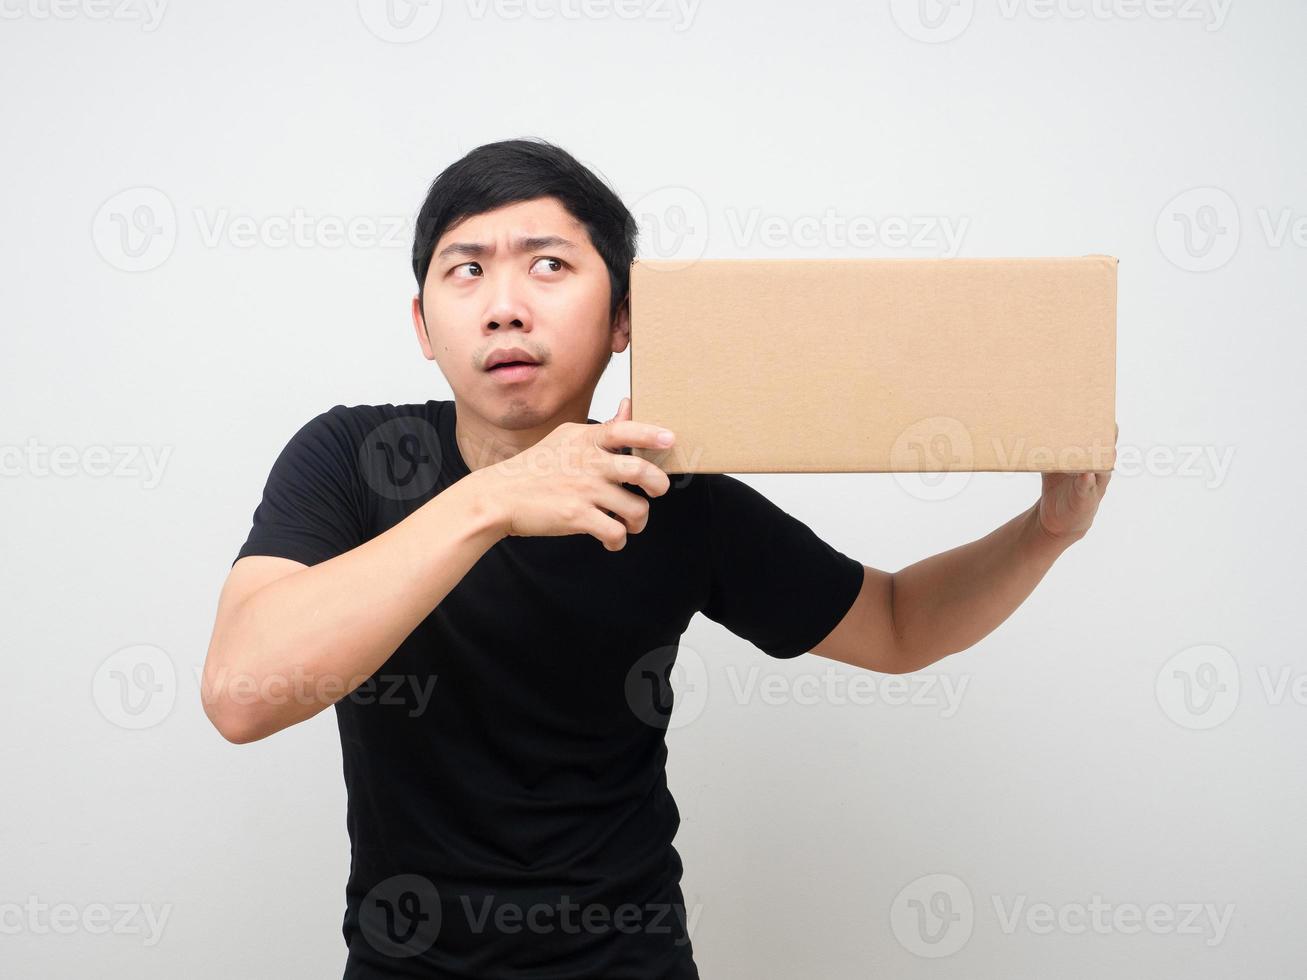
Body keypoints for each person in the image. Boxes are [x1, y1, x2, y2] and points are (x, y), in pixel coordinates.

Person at [200, 138, 1113, 979]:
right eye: (465, 271)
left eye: (549, 265)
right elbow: (242, 694)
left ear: (625, 317)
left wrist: (1046, 531)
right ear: (423, 323)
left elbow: (898, 623)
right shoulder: (349, 459)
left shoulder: (672, 492)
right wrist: (491, 502)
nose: (505, 305)